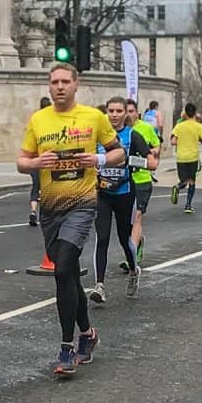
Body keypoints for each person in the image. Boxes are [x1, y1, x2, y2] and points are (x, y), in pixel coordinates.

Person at [17, 63, 124, 377]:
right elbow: (22, 162)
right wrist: (36, 162)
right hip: (50, 208)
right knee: (68, 276)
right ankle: (88, 333)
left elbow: (118, 152)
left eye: (65, 81)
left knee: (63, 267)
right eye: (54, 82)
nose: (59, 87)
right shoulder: (39, 120)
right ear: (49, 87)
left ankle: (67, 348)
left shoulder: (94, 117)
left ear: (77, 85)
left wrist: (99, 159)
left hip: (82, 203)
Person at [90, 96, 155, 303]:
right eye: (111, 111)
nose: (115, 115)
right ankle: (99, 286)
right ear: (106, 112)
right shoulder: (98, 137)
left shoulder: (132, 135)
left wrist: (129, 160)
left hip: (125, 193)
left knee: (125, 239)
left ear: (125, 114)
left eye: (119, 111)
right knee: (102, 238)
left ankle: (133, 270)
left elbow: (152, 163)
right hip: (103, 194)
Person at [123, 99, 160, 269]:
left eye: (132, 111)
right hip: (124, 182)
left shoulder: (145, 128)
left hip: (143, 180)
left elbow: (156, 148)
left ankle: (131, 258)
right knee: (126, 223)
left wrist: (146, 155)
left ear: (137, 113)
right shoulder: (118, 133)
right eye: (127, 111)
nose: (129, 114)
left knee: (137, 217)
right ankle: (136, 245)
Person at [169, 102, 202, 213]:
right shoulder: (199, 126)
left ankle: (177, 186)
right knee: (191, 181)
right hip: (193, 157)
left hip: (181, 157)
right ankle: (188, 205)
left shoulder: (179, 126)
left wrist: (181, 142)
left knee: (183, 181)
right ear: (195, 113)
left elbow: (173, 141)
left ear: (185, 113)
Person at [28, 96, 52, 227]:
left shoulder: (34, 120)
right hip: (47, 160)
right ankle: (46, 213)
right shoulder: (52, 121)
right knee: (48, 187)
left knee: (35, 187)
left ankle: (33, 211)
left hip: (35, 160)